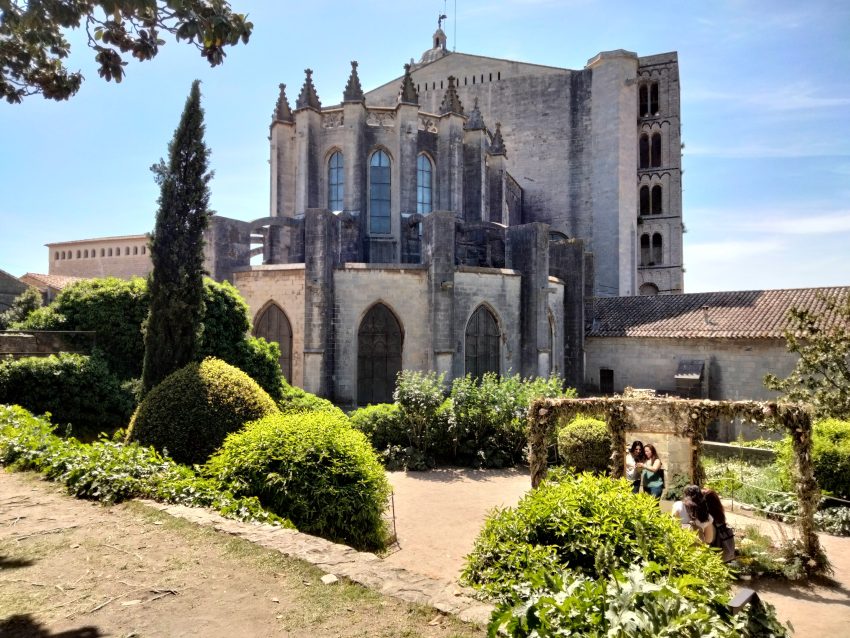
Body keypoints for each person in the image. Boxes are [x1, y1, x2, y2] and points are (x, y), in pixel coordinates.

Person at [683, 485, 735, 562]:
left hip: (713, 559)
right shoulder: (719, 517)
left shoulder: (708, 520)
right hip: (725, 556)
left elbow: (708, 541)